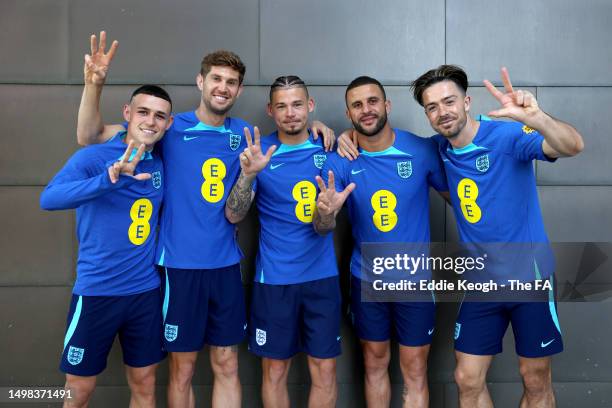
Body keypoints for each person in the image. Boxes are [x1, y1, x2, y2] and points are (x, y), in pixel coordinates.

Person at [75, 31, 335, 408]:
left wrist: (317, 130)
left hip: (225, 267)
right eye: (216, 79)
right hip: (179, 268)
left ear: (239, 90)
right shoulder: (168, 127)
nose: (223, 87)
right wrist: (93, 85)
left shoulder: (244, 137)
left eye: (231, 82)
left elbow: (235, 213)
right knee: (183, 369)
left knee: (227, 362)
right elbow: (89, 136)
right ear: (201, 82)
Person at [408, 65, 584, 408]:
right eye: (432, 107)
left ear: (467, 101)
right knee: (467, 378)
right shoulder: (438, 150)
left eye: (449, 101)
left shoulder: (506, 137)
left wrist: (538, 118)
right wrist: (342, 135)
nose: (442, 112)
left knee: (535, 378)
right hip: (481, 282)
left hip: (528, 278)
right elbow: (381, 143)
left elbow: (573, 145)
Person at [314, 76, 449, 408]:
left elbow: (460, 200)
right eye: (357, 105)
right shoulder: (340, 161)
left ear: (387, 105)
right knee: (374, 364)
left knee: (415, 369)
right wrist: (326, 214)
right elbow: (321, 227)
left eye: (373, 101)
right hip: (367, 280)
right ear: (349, 114)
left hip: (415, 280)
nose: (367, 110)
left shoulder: (421, 150)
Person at [40, 82, 173, 408]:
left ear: (168, 124)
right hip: (97, 291)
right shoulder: (93, 156)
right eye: (143, 112)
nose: (150, 121)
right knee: (79, 390)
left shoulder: (161, 161)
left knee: (145, 384)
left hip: (144, 293)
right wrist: (107, 180)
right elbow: (49, 198)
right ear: (127, 114)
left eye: (159, 116)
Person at [224, 75, 351, 408]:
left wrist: (326, 215)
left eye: (297, 104)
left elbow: (324, 229)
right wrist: (249, 175)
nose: (290, 113)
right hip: (274, 281)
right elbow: (234, 215)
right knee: (275, 372)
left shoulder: (331, 151)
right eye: (281, 106)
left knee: (324, 370)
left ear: (310, 106)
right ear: (270, 110)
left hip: (321, 279)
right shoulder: (258, 152)